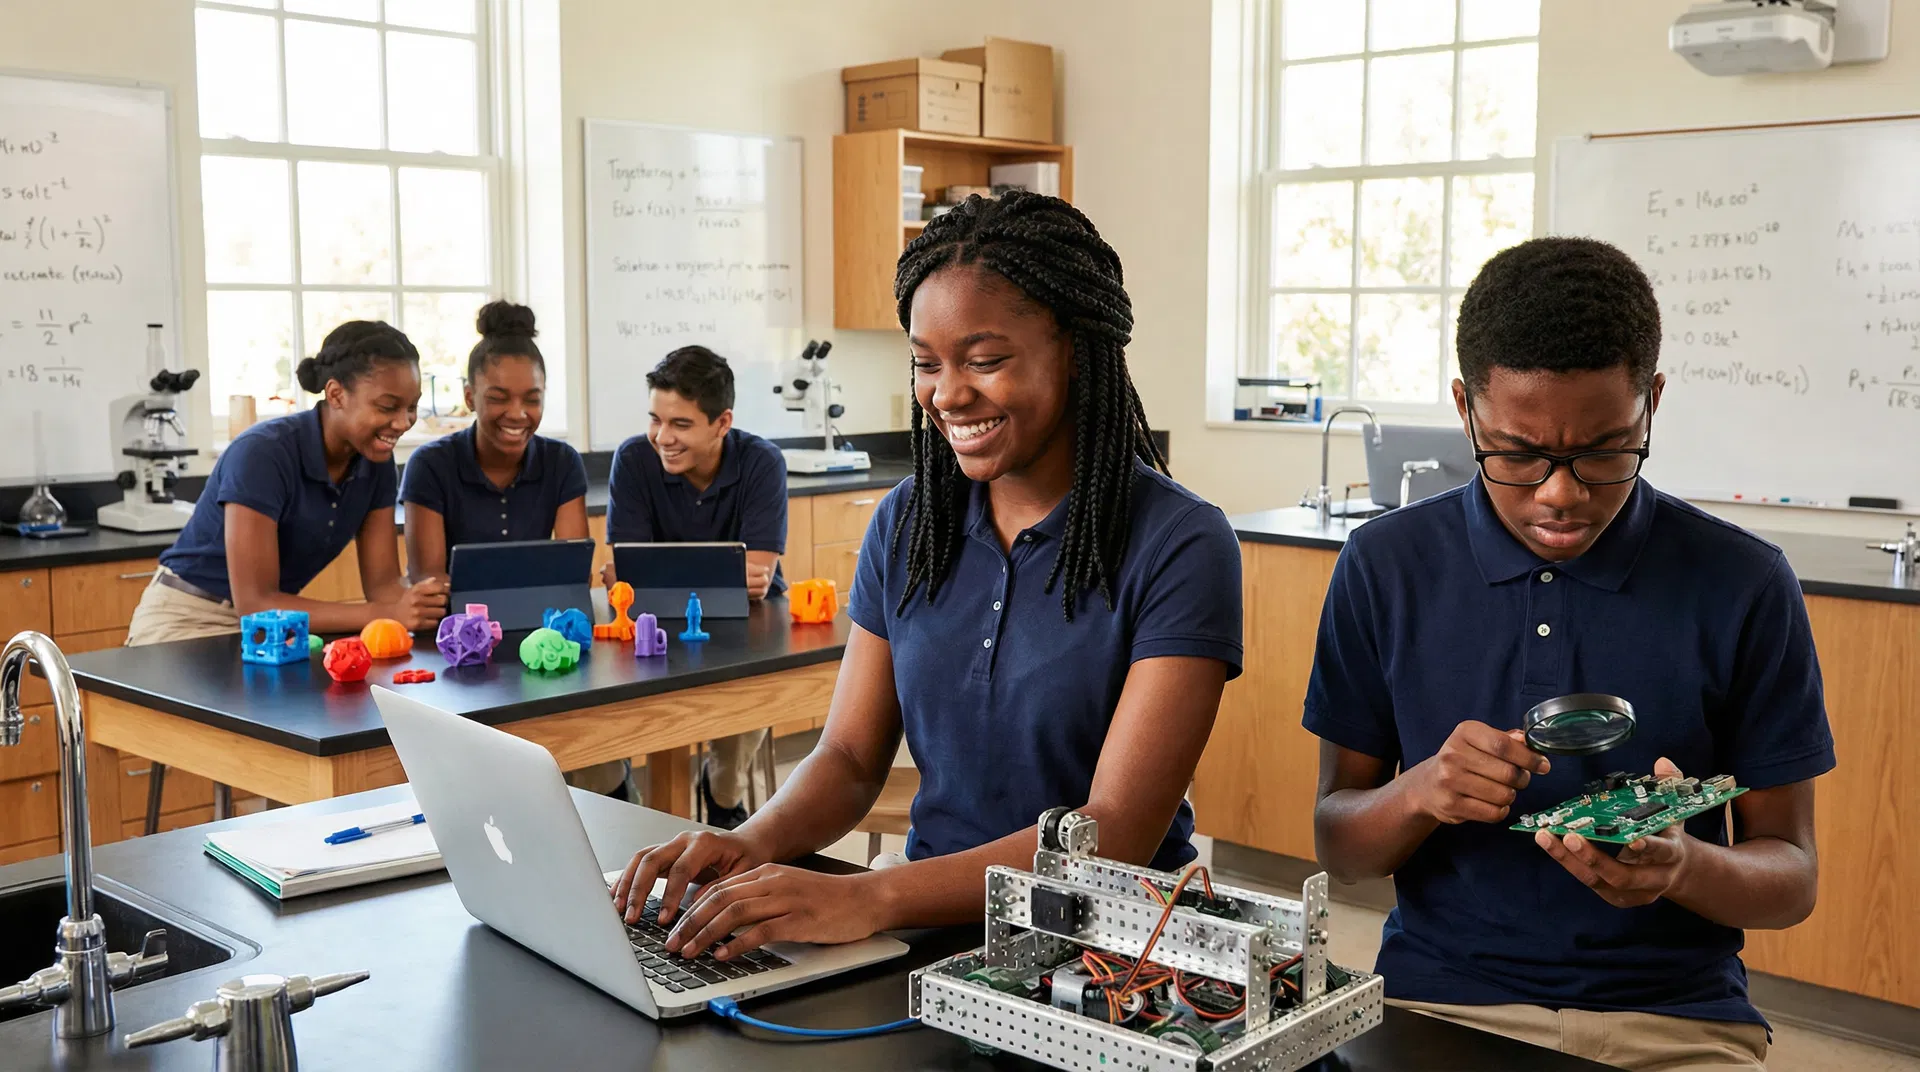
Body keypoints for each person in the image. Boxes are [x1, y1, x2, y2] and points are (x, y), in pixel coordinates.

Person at [610, 192, 1243, 960]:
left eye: (985, 361)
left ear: (1077, 349)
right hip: (930, 937)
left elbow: (1111, 834)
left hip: (1114, 953)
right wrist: (746, 845)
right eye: (926, 363)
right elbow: (846, 758)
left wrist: (869, 895)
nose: (947, 394)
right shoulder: (909, 522)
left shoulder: (1180, 542)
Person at [1305, 237, 1833, 1071]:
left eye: (1606, 449)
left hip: (1675, 1022)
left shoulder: (1745, 584)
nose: (1562, 493)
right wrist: (1422, 793)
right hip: (1441, 1001)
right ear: (1465, 409)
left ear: (1652, 404)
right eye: (1517, 454)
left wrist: (1683, 866)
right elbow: (1341, 847)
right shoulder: (1385, 566)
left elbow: (1792, 877)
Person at [128, 320, 448, 645]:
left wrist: (426, 600)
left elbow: (384, 589)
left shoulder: (375, 462)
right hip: (187, 621)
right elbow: (256, 605)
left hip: (275, 627)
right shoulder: (263, 453)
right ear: (336, 394)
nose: (404, 421)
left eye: (411, 406)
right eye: (387, 407)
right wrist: (388, 613)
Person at [603, 346, 789, 822]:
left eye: (680, 425)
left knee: (744, 710)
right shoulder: (632, 460)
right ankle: (626, 802)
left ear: (722, 423)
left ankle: (723, 796)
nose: (662, 437)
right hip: (654, 632)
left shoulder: (762, 462)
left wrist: (659, 575)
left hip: (748, 631)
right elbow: (628, 577)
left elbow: (758, 579)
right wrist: (722, 573)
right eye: (656, 420)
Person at [399, 301, 589, 583]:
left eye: (532, 399)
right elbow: (429, 583)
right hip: (455, 623)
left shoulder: (562, 462)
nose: (517, 413)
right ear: (468, 397)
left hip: (535, 617)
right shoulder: (430, 465)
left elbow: (573, 577)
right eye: (498, 398)